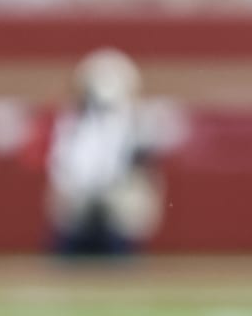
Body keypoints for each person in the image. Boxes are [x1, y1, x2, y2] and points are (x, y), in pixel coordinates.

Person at [46, 50, 164, 257]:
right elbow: (64, 160)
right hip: (79, 198)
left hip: (116, 200)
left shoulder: (136, 120)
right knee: (69, 256)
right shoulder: (74, 119)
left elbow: (141, 164)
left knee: (118, 256)